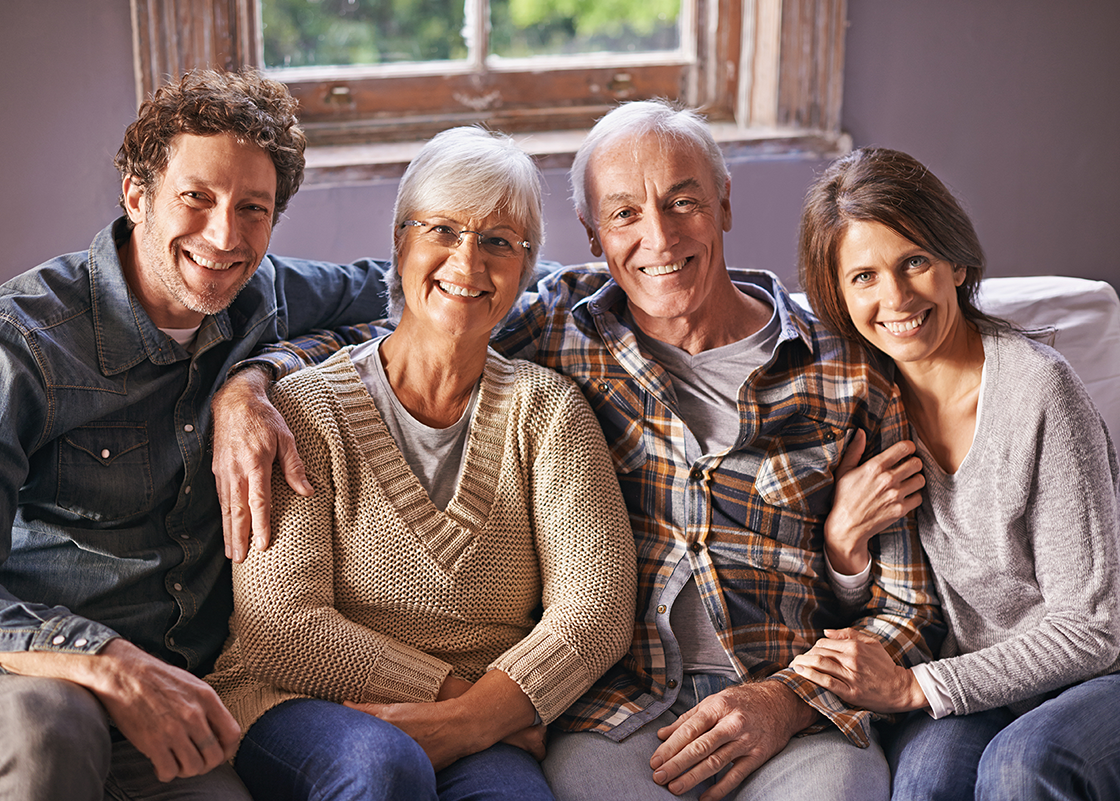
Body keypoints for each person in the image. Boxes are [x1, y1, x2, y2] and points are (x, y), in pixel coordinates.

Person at [210, 100, 945, 801]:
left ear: (724, 202)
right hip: (626, 707)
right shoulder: (568, 330)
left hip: (785, 700)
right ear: (594, 235)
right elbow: (413, 331)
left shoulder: (849, 368)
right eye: (625, 212)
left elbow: (910, 609)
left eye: (683, 202)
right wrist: (249, 383)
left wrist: (794, 687)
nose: (657, 238)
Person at [0, 69, 387, 800]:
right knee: (52, 727)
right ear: (137, 197)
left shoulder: (261, 297)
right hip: (13, 682)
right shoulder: (14, 342)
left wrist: (254, 375)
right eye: (196, 198)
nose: (224, 235)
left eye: (253, 209)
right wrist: (99, 657)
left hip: (174, 701)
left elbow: (424, 291)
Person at [204, 125, 636, 801]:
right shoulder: (304, 410)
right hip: (296, 700)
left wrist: (466, 721)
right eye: (442, 230)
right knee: (382, 769)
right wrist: (465, 703)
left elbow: (596, 608)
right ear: (401, 243)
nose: (468, 261)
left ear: (526, 270)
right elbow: (279, 630)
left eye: (499, 241)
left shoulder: (549, 411)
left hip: (483, 719)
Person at [789, 146, 1120, 800]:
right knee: (925, 779)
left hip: (1093, 677)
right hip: (976, 676)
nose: (896, 297)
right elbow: (885, 602)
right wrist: (843, 544)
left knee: (1021, 765)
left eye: (914, 261)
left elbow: (1094, 630)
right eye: (865, 276)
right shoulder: (864, 407)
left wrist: (917, 686)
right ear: (838, 292)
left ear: (956, 263)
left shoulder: (1039, 391)